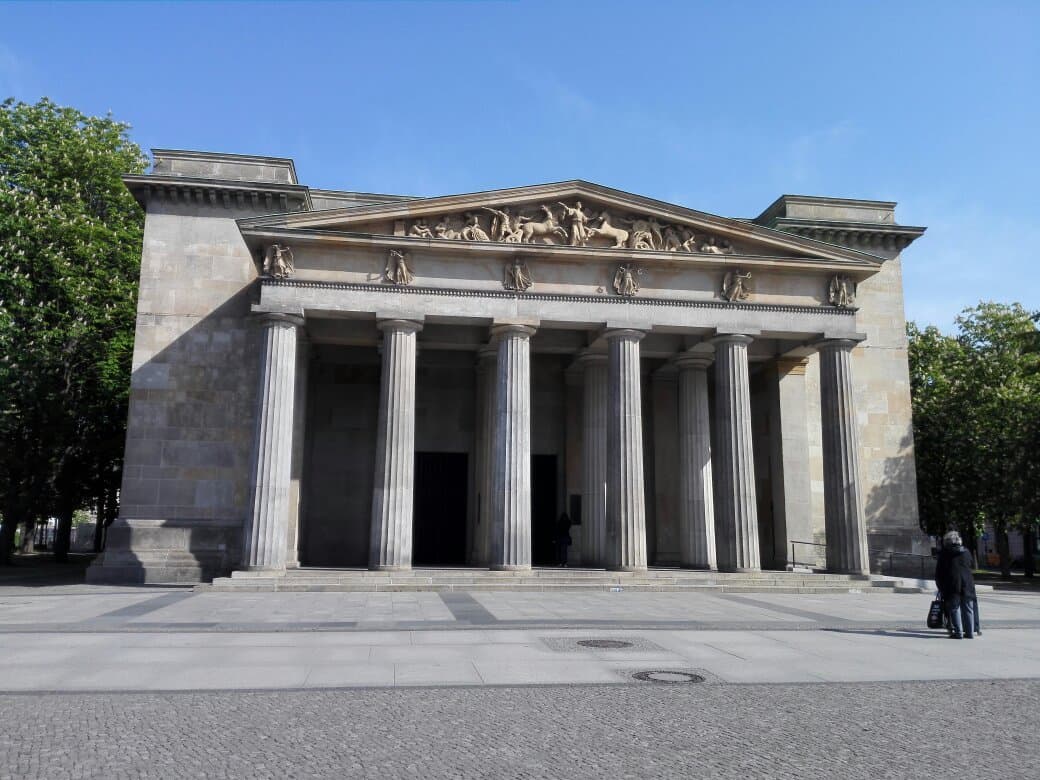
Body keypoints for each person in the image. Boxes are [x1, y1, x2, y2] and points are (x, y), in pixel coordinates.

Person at [934, 530, 977, 639]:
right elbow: (970, 565)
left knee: (954, 608)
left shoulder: (944, 554)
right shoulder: (966, 552)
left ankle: (958, 632)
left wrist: (940, 586)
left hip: (952, 584)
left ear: (947, 541)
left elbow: (939, 572)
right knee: (968, 608)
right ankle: (970, 632)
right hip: (967, 583)